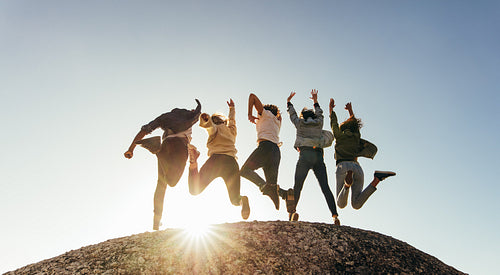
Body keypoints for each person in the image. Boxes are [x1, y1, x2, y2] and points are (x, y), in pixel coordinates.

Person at [124, 99, 202, 230]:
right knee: (172, 182)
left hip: (166, 145)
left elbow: (144, 130)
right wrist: (196, 110)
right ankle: (156, 150)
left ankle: (156, 222)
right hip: (180, 146)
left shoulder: (164, 118)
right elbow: (200, 115)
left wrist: (131, 149)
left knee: (161, 184)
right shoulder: (189, 116)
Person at [187, 99, 250, 220]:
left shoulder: (214, 128)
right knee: (235, 199)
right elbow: (232, 121)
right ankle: (242, 200)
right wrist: (232, 109)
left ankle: (193, 162)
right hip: (231, 163)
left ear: (214, 121)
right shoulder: (232, 131)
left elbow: (210, 127)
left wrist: (206, 119)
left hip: (215, 162)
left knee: (194, 190)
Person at [283, 89, 340, 224]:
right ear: (313, 115)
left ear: (303, 115)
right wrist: (315, 100)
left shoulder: (300, 123)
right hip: (318, 156)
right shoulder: (319, 122)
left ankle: (292, 213)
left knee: (298, 186)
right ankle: (335, 216)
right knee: (325, 187)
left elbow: (292, 115)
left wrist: (289, 102)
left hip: (304, 155)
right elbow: (320, 113)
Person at [329, 98, 396, 211]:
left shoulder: (339, 136)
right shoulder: (356, 136)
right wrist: (350, 111)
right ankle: (377, 179)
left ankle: (347, 185)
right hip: (357, 167)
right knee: (356, 205)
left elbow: (333, 123)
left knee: (341, 204)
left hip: (342, 166)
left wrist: (331, 109)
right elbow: (354, 123)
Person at [240, 93, 282, 210]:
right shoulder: (278, 121)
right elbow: (279, 115)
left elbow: (252, 96)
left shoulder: (264, 113)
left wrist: (250, 114)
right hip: (276, 152)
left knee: (244, 171)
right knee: (272, 186)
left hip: (265, 148)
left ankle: (264, 186)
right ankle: (285, 195)